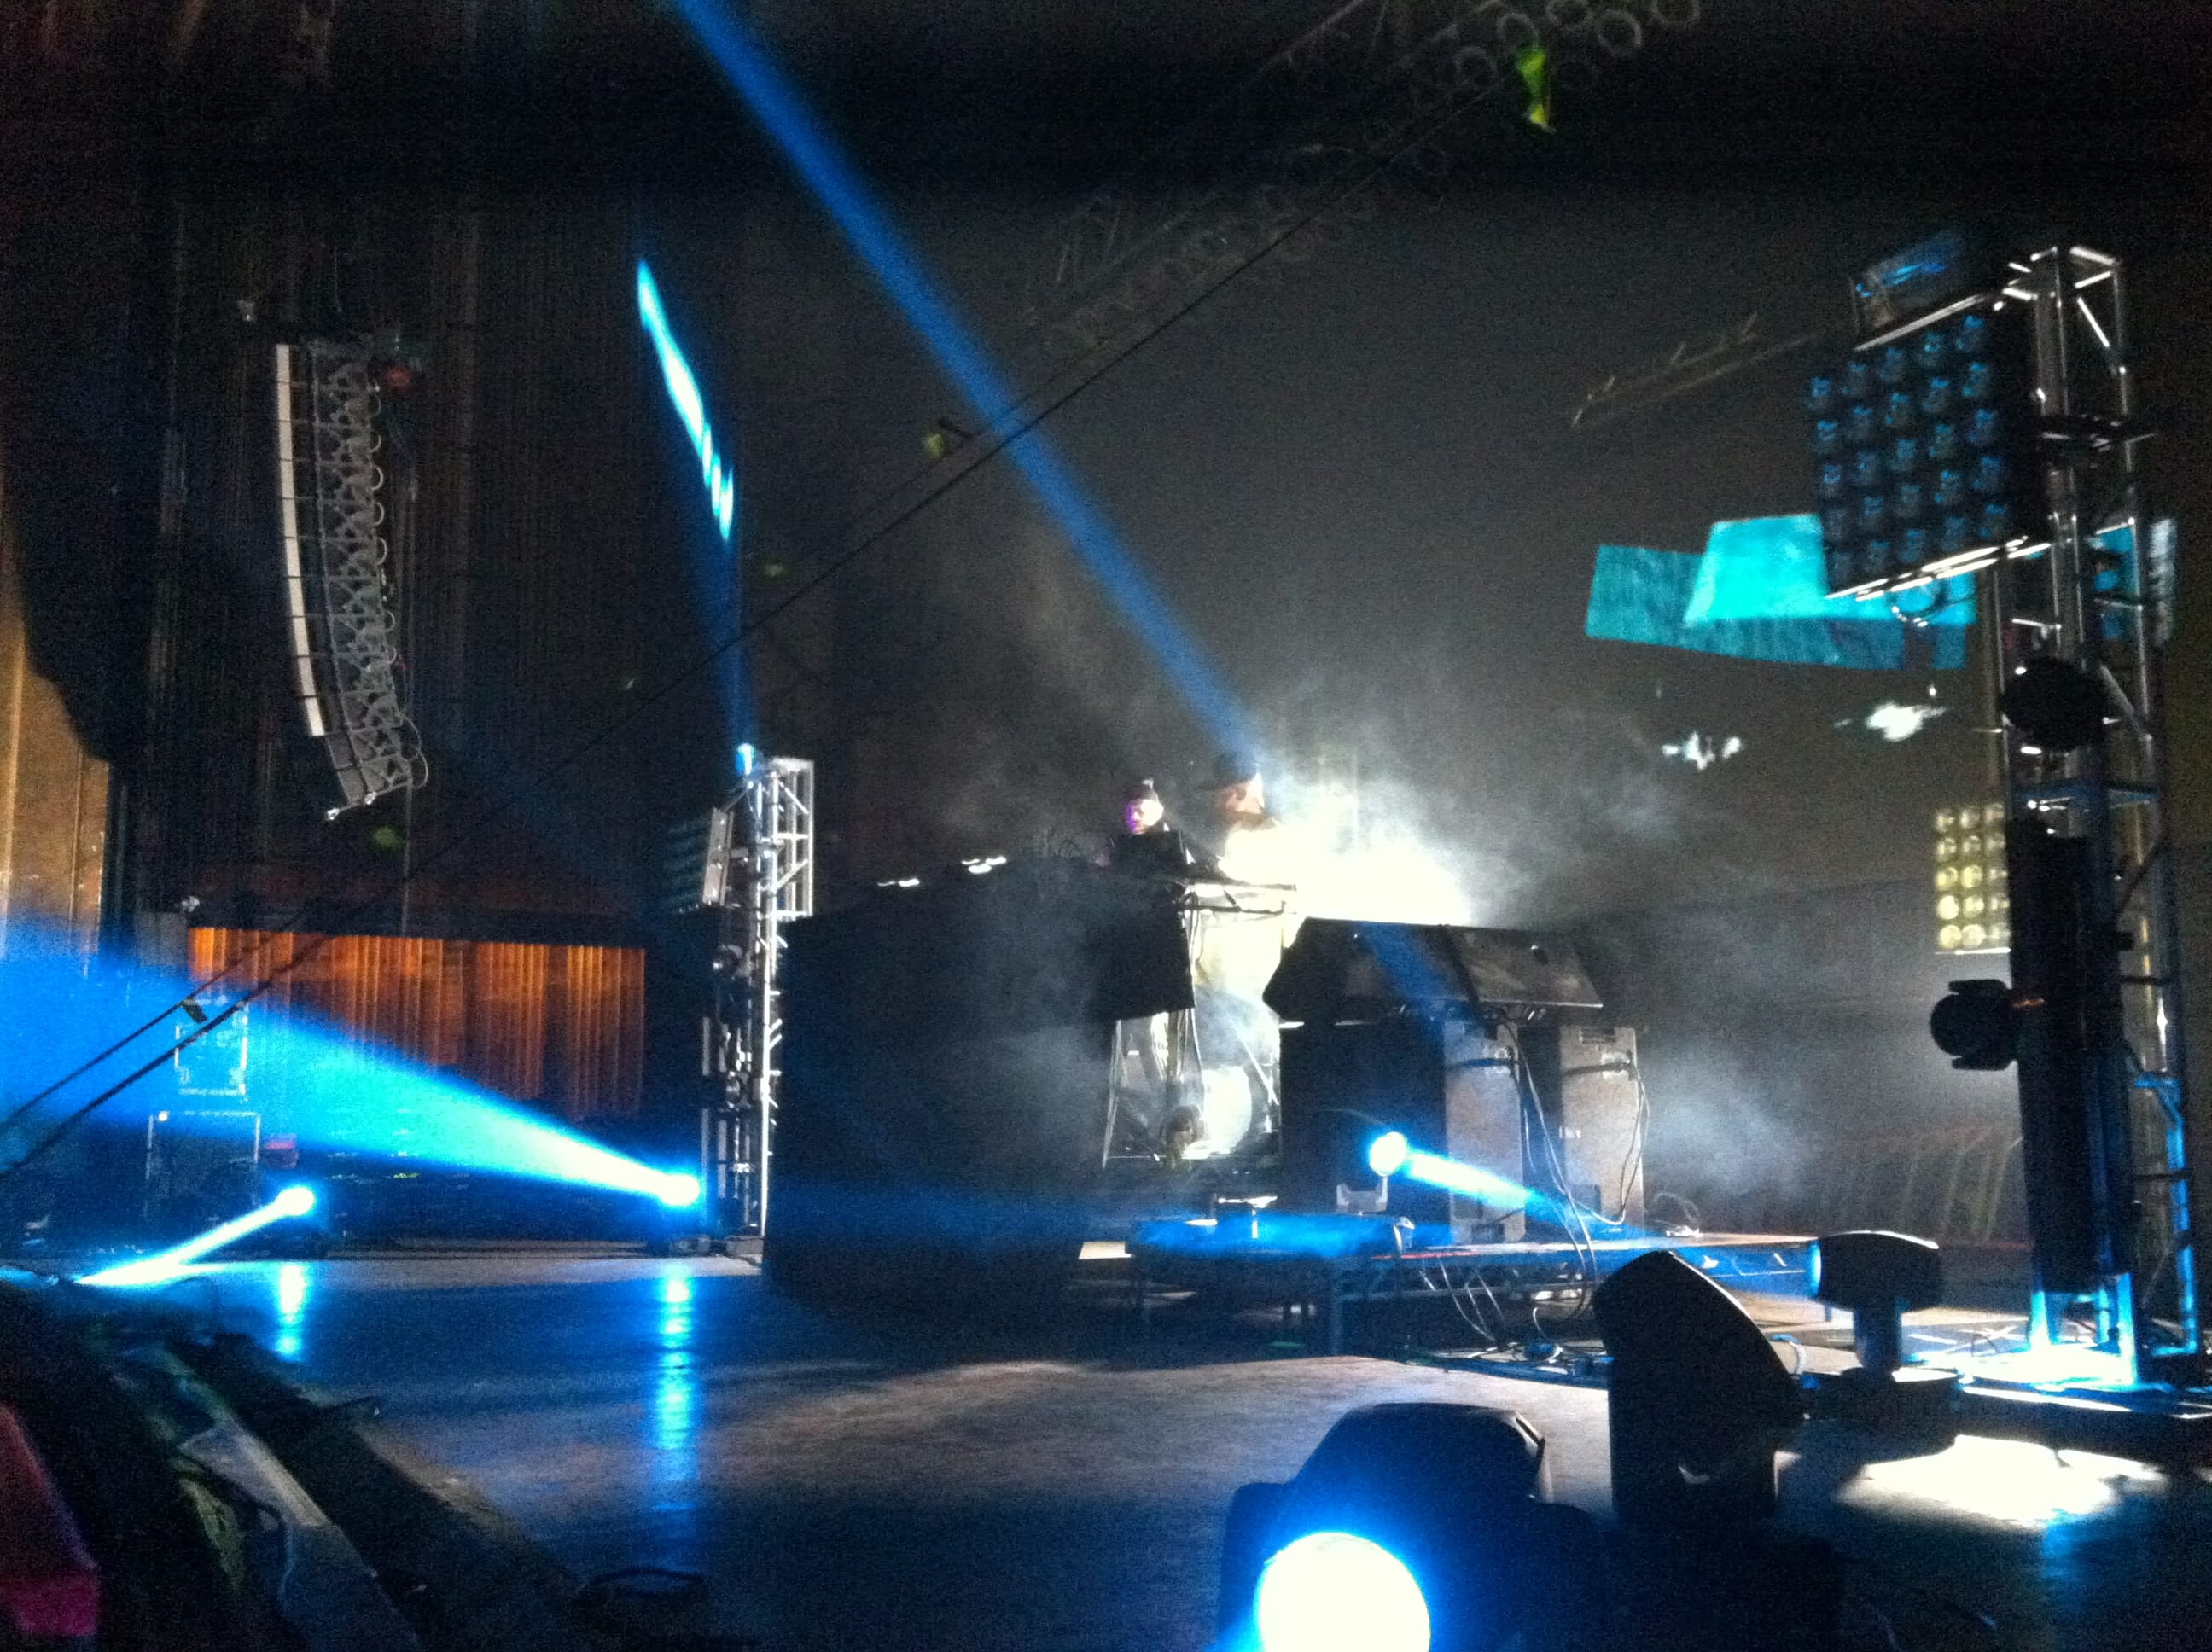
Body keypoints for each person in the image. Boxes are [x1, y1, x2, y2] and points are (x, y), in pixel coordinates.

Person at [1102, 777, 1194, 879]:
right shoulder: (1115, 843)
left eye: (1141, 810)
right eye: (1129, 811)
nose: (1134, 817)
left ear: (1156, 813)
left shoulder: (1172, 842)